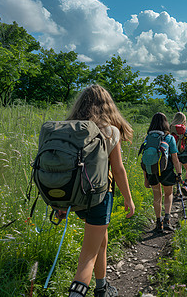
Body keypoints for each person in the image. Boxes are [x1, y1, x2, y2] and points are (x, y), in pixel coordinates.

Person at [66, 85, 135, 297]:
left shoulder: (70, 128)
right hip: (99, 197)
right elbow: (118, 170)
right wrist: (128, 199)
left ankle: (102, 287)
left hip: (75, 196)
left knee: (101, 241)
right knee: (88, 255)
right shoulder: (109, 131)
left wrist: (61, 203)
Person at [143, 112, 182, 233]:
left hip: (152, 171)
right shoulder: (169, 138)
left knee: (156, 196)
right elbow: (175, 158)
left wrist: (146, 178)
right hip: (166, 171)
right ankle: (167, 220)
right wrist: (179, 173)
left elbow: (144, 160)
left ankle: (158, 222)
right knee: (168, 194)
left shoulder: (147, 138)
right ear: (165, 123)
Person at [169, 112, 187, 196]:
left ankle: (177, 189)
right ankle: (185, 185)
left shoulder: (169, 129)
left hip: (174, 155)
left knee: (178, 172)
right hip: (185, 154)